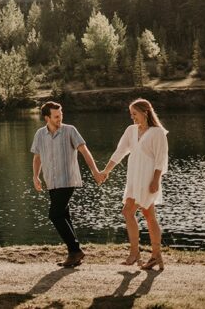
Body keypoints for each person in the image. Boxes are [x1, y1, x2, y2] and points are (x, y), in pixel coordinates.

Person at [98, 98, 169, 270]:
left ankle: (137, 253)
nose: (133, 118)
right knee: (148, 215)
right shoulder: (131, 131)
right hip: (133, 178)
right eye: (131, 115)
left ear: (145, 112)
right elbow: (120, 152)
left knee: (130, 211)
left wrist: (156, 181)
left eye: (135, 114)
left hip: (147, 179)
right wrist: (106, 171)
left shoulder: (157, 132)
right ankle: (154, 256)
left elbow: (161, 159)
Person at [31, 100, 103, 267]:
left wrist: (95, 171)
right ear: (46, 118)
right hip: (51, 181)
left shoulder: (70, 130)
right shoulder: (40, 134)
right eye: (56, 116)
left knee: (54, 215)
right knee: (63, 216)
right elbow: (37, 157)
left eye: (61, 115)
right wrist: (36, 176)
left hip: (68, 180)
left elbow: (84, 151)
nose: (60, 118)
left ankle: (75, 250)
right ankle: (74, 254)